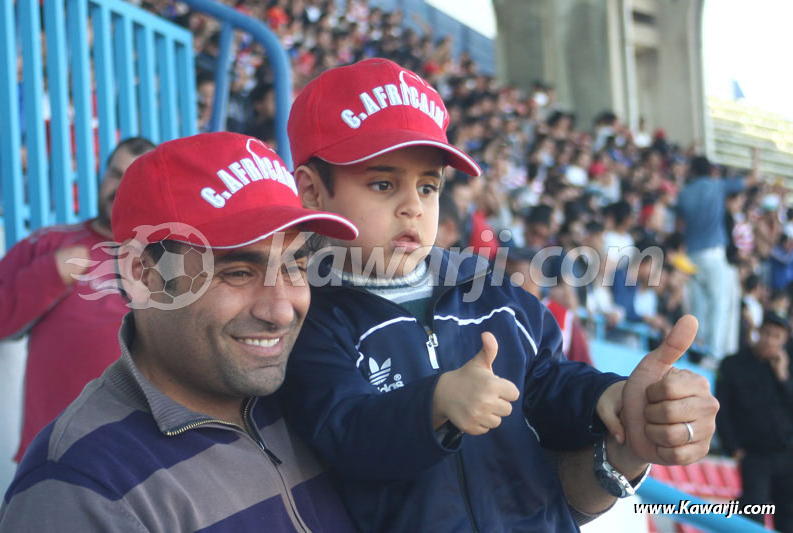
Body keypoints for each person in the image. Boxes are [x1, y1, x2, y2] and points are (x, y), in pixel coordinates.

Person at [281, 58, 719, 532]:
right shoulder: (308, 317)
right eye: (382, 183)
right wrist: (436, 404)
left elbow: (547, 384)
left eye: (428, 187)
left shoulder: (491, 295)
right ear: (311, 191)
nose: (412, 206)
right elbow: (344, 431)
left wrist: (609, 396)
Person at [0, 132, 359, 531]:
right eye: (238, 272)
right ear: (143, 274)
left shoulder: (319, 405)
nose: (281, 310)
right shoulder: (80, 489)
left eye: (294, 267)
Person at [0, 137, 155, 461]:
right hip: (53, 454)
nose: (119, 186)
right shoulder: (50, 242)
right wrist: (50, 274)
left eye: (134, 178)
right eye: (114, 173)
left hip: (140, 455)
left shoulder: (172, 261)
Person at [716, 311, 793, 532]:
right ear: (758, 332)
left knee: (788, 516)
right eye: (767, 333)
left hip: (787, 454)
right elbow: (722, 409)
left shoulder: (787, 368)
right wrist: (733, 447)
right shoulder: (733, 364)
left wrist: (783, 377)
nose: (770, 340)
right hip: (754, 454)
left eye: (776, 336)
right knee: (753, 513)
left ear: (784, 340)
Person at [676, 155, 754, 359]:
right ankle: (714, 353)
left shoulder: (684, 193)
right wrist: (755, 156)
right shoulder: (716, 186)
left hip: (691, 254)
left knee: (697, 303)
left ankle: (695, 347)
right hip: (712, 253)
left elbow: (679, 223)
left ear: (692, 170)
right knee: (717, 304)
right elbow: (752, 179)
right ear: (710, 171)